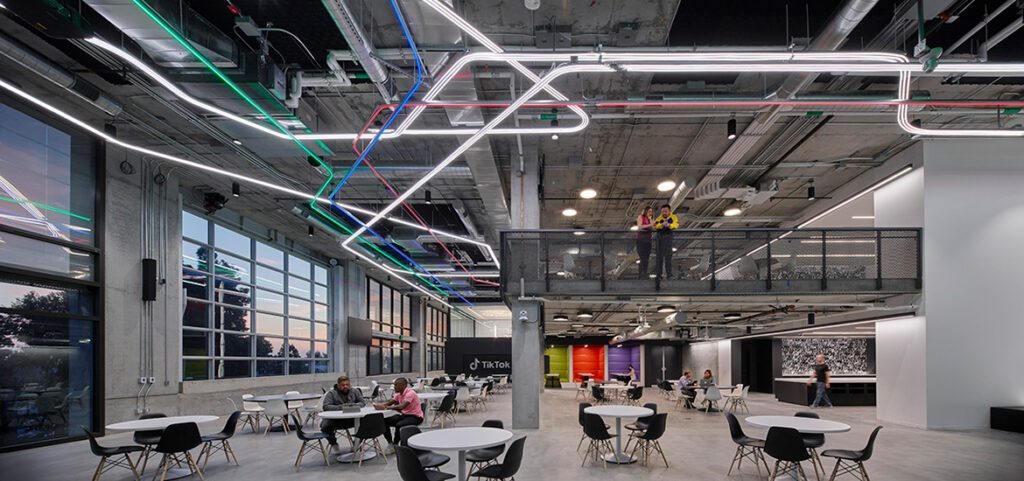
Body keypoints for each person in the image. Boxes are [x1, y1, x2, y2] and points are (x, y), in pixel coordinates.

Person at [374, 377, 423, 447]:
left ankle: (395, 444)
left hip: (416, 417)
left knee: (399, 425)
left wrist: (385, 407)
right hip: (405, 415)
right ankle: (390, 443)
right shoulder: (398, 394)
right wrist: (379, 406)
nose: (394, 387)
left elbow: (401, 407)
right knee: (384, 421)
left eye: (396, 385)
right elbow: (388, 403)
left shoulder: (410, 393)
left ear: (403, 385)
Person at [320, 375, 365, 448]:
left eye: (347, 384)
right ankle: (333, 443)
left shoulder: (355, 391)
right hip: (337, 420)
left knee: (367, 422)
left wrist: (353, 405)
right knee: (325, 426)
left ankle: (357, 443)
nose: (345, 386)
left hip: (353, 419)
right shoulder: (331, 393)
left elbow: (362, 403)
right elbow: (326, 406)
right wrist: (341, 407)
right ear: (338, 385)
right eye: (343, 385)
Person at [653, 204, 679, 279]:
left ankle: (669, 275)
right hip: (660, 240)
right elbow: (655, 225)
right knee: (659, 258)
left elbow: (676, 225)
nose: (664, 213)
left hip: (668, 239)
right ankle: (659, 275)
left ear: (669, 211)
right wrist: (662, 224)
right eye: (662, 211)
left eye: (665, 211)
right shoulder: (659, 218)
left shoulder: (673, 217)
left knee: (668, 257)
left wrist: (669, 225)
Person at [635, 206, 654, 278]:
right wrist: (649, 225)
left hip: (648, 240)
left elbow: (653, 226)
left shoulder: (650, 219)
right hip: (641, 240)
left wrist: (650, 219)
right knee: (642, 257)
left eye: (651, 211)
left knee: (646, 257)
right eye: (649, 211)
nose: (650, 213)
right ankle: (641, 273)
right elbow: (640, 226)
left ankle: (644, 273)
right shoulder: (641, 217)